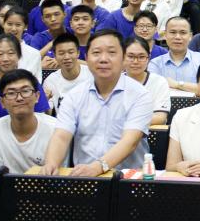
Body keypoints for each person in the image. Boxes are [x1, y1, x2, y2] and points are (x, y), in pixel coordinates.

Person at [41, 29, 153, 175]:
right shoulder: (74, 96)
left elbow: (130, 142)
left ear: (124, 58)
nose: (103, 59)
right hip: (84, 178)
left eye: (111, 52)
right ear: (86, 58)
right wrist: (51, 163)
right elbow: (61, 136)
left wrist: (98, 167)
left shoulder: (140, 95)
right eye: (96, 53)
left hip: (128, 179)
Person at [0, 69, 57, 187]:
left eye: (25, 91)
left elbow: (58, 177)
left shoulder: (55, 128)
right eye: (11, 93)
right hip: (8, 194)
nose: (19, 98)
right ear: (2, 102)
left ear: (37, 96)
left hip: (47, 192)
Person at [0, 35, 51, 131]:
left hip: (29, 134)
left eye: (11, 53)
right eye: (0, 54)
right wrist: (6, 138)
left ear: (19, 55)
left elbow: (40, 116)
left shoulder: (30, 81)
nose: (5, 59)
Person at [0, 7, 42, 80]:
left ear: (25, 26)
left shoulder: (34, 54)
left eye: (18, 25)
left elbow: (36, 81)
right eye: (9, 24)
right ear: (3, 24)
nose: (13, 29)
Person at [149, 16, 200, 92]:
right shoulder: (155, 64)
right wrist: (193, 88)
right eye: (173, 32)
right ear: (165, 35)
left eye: (183, 33)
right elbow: (153, 90)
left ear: (190, 36)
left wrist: (177, 84)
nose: (177, 37)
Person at [122, 36, 170, 126]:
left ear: (148, 58)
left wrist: (123, 121)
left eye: (141, 57)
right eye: (131, 56)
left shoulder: (159, 82)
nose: (135, 61)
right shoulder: (114, 82)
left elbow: (160, 118)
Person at [42, 34, 93, 112]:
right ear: (55, 55)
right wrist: (45, 102)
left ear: (78, 53)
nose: (67, 57)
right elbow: (48, 114)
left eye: (71, 52)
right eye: (61, 53)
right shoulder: (50, 81)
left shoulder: (92, 75)